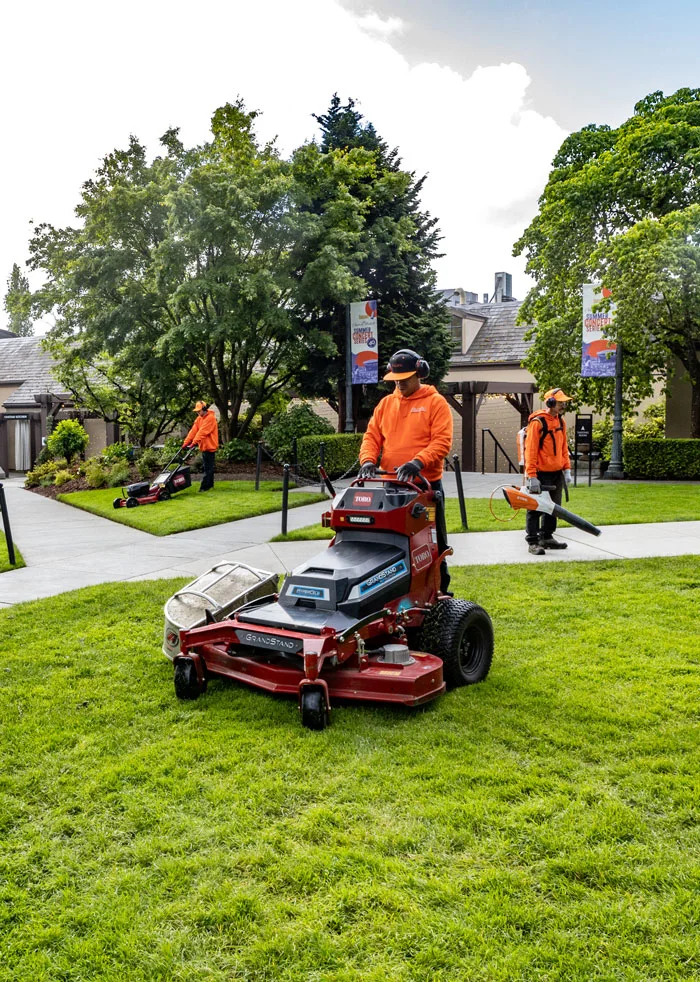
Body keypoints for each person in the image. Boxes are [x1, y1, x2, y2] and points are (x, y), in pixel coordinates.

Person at [359, 348, 453, 592]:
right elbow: (372, 436)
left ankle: (438, 590)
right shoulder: (386, 404)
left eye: (405, 379)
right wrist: (368, 460)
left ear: (419, 374)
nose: (399, 384)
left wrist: (418, 462)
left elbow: (442, 441)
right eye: (396, 380)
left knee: (433, 542)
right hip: (391, 486)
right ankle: (398, 591)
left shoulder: (435, 403)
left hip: (425, 486)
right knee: (391, 541)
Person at [523, 387, 574, 555]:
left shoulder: (561, 422)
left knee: (554, 508)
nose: (563, 406)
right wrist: (532, 476)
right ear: (551, 403)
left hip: (556, 473)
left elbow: (563, 447)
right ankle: (533, 541)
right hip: (540, 474)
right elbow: (530, 450)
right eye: (560, 403)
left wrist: (567, 470)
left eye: (564, 403)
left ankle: (546, 537)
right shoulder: (538, 422)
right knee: (536, 507)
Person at [183, 401, 219, 492]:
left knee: (208, 468)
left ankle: (204, 487)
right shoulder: (199, 419)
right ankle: (210, 485)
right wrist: (186, 442)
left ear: (204, 409)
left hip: (210, 447)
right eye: (197, 411)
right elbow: (193, 431)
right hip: (204, 447)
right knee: (208, 467)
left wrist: (193, 443)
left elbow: (202, 432)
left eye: (199, 411)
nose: (197, 412)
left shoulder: (210, 419)